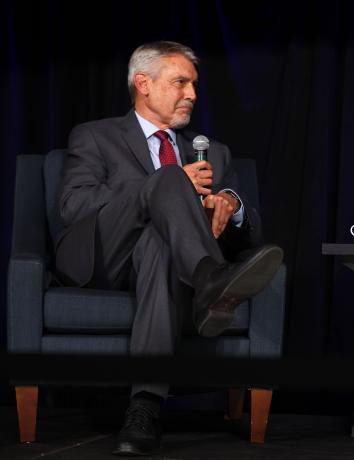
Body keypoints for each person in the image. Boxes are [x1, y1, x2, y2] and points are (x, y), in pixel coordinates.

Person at [55, 41, 283, 456]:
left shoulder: (213, 151)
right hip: (105, 256)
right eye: (181, 83)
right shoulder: (95, 135)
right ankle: (210, 281)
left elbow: (251, 237)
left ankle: (144, 406)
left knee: (158, 245)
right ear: (143, 83)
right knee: (169, 180)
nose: (192, 94)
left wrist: (230, 205)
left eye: (194, 85)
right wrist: (162, 185)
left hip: (163, 262)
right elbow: (74, 207)